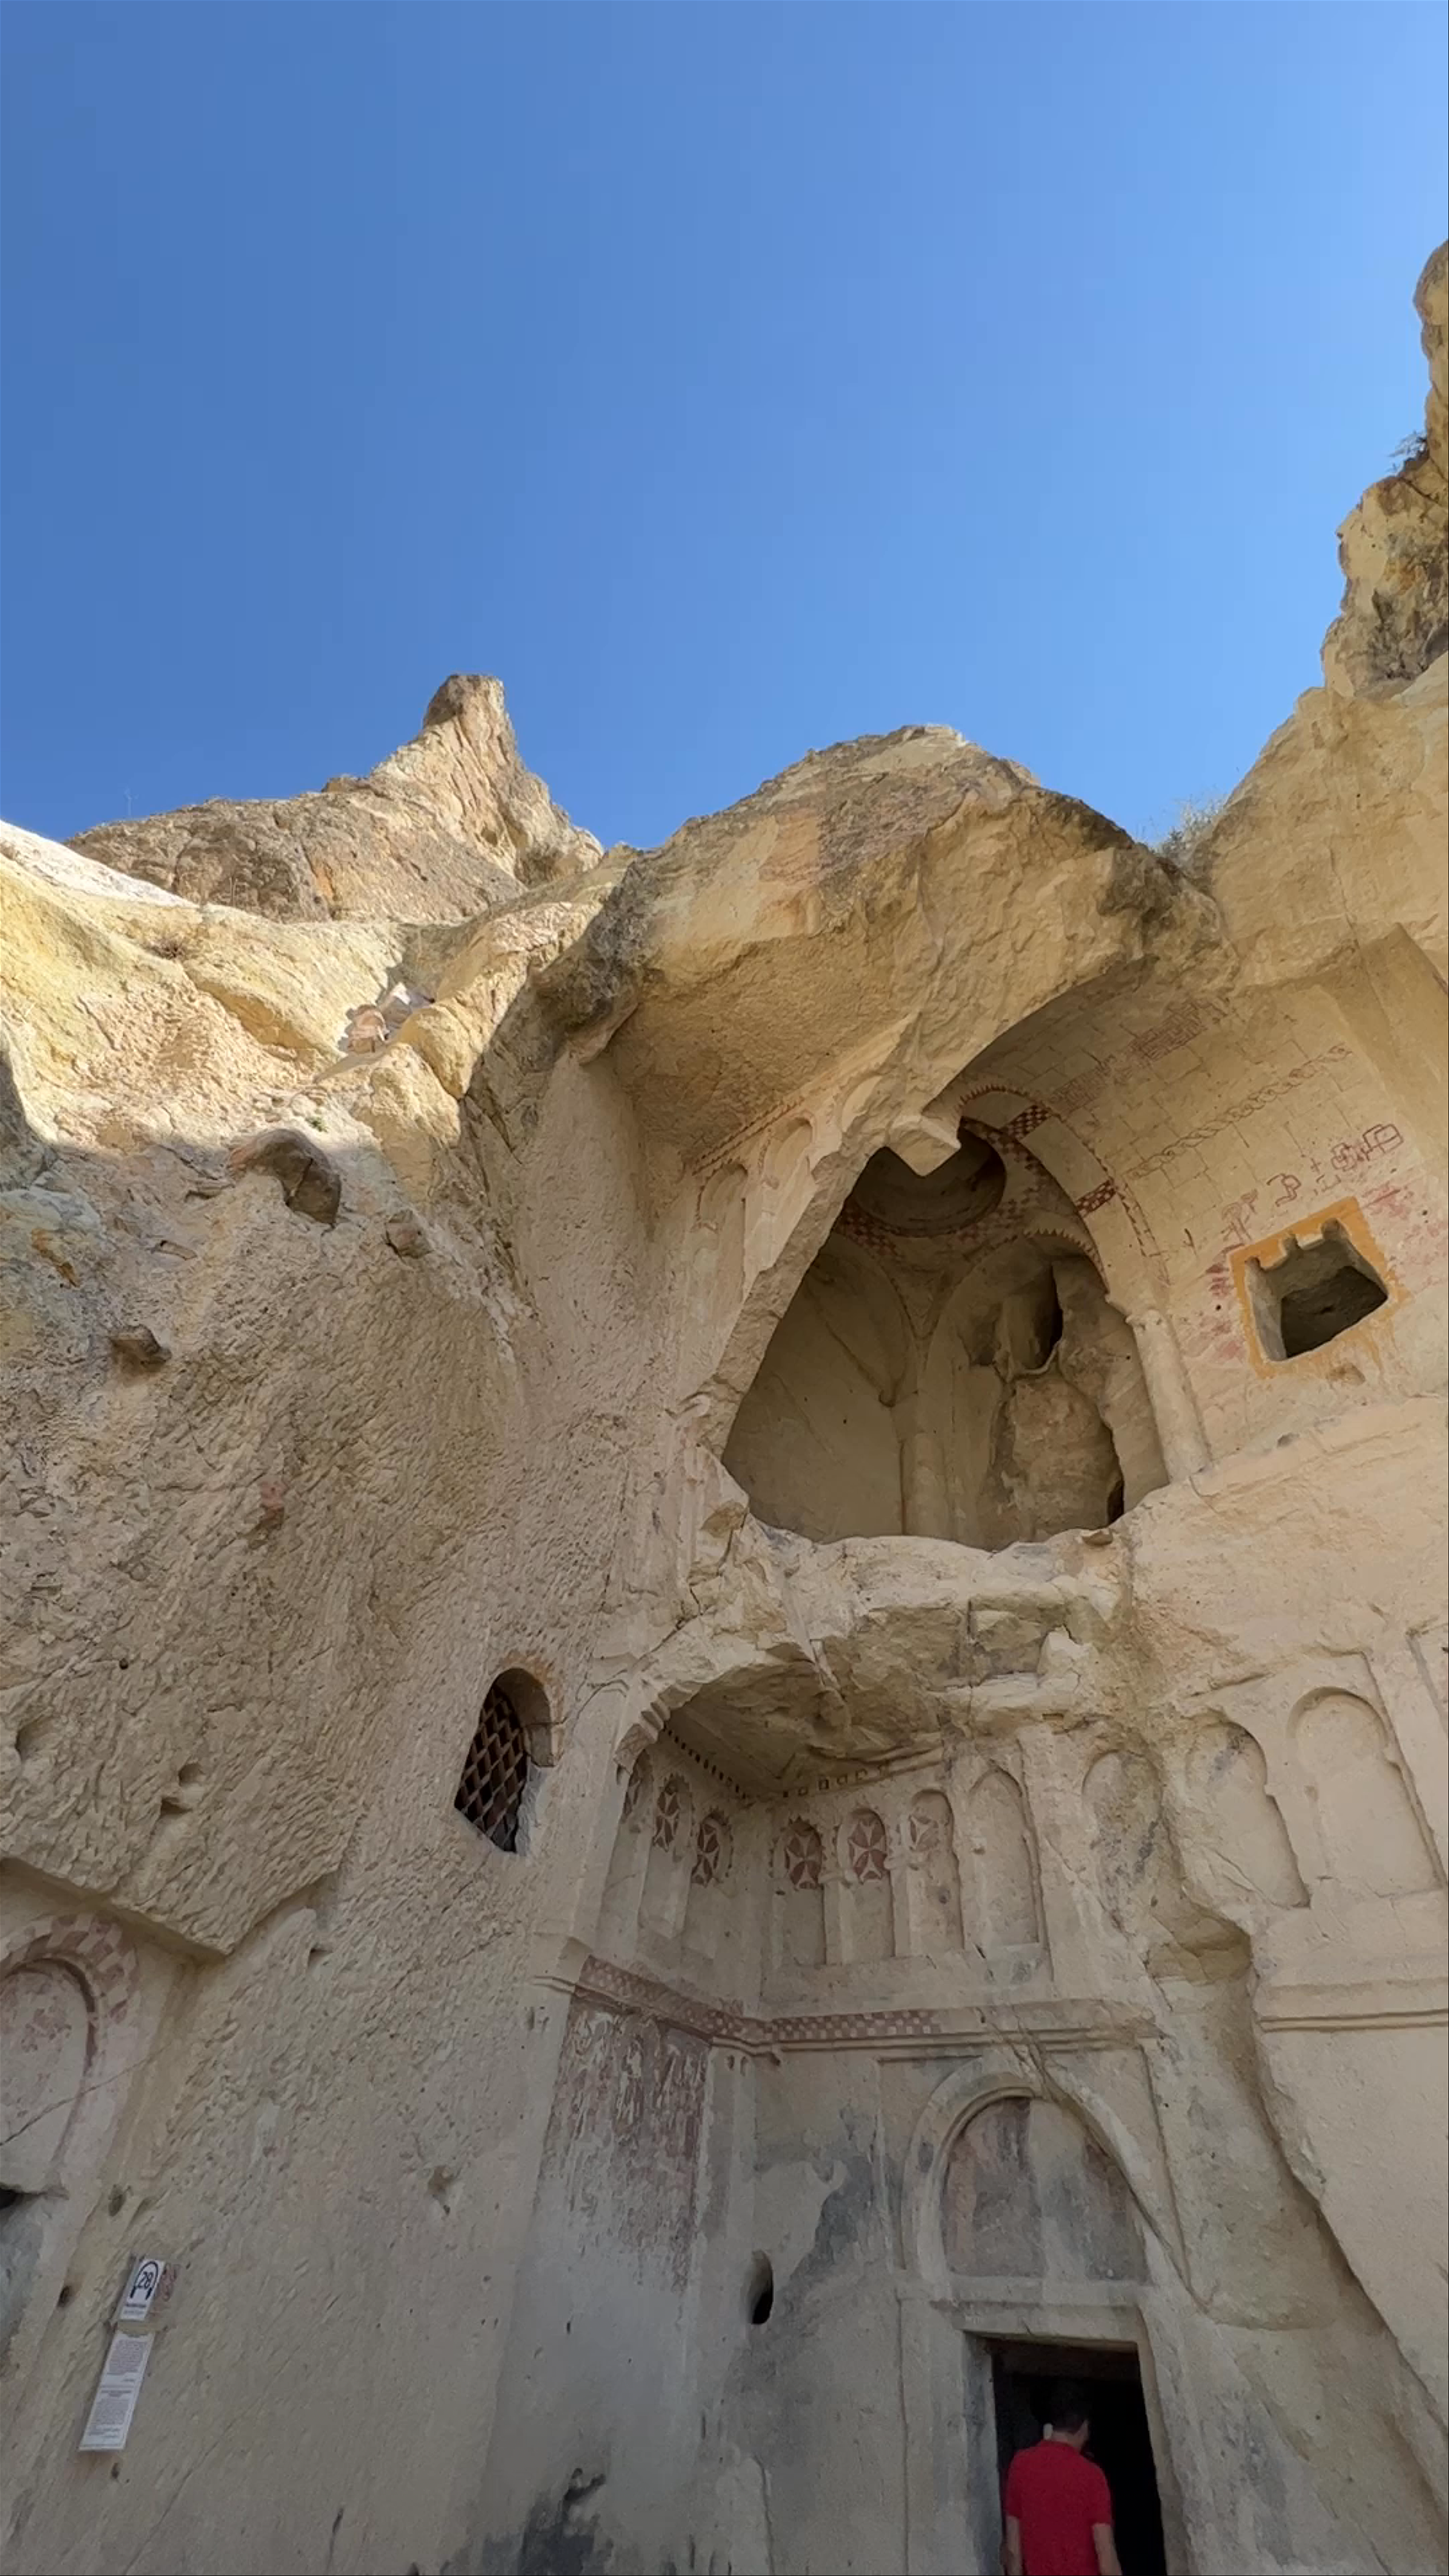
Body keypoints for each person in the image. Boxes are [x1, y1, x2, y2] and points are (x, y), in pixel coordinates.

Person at [1002, 2381, 1121, 2576]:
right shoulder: (1092, 2476)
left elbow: (1014, 2551)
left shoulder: (1020, 2465)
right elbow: (1106, 2558)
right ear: (1085, 2426)